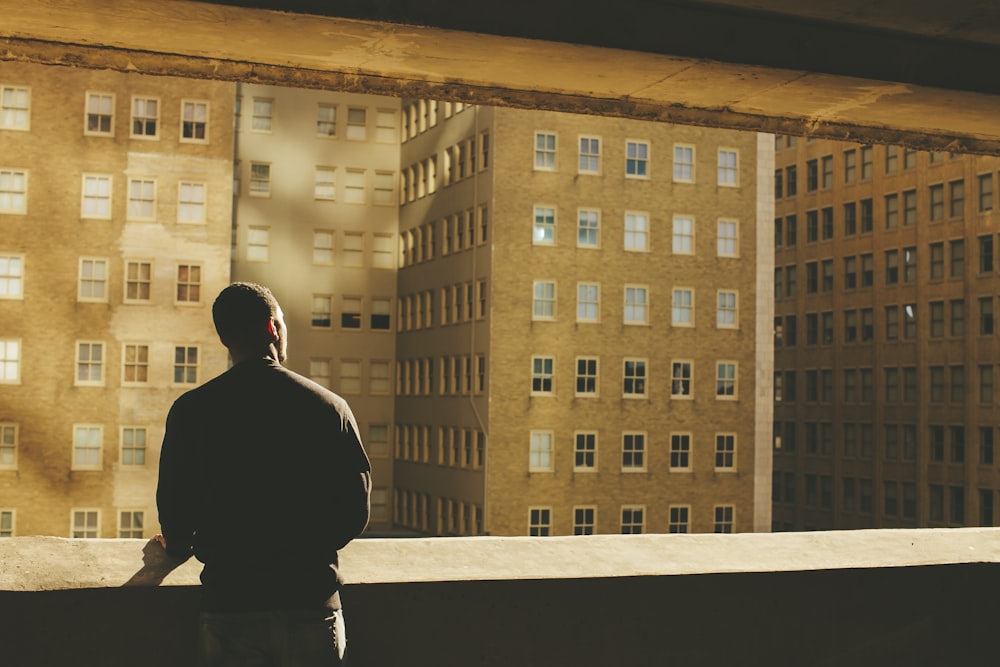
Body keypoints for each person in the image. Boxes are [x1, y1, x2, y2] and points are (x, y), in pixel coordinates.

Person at [155, 282, 372, 666]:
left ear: (224, 337)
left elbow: (175, 514)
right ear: (273, 327)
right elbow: (354, 513)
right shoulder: (329, 408)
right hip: (310, 603)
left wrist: (177, 546)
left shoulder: (191, 412)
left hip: (229, 606)